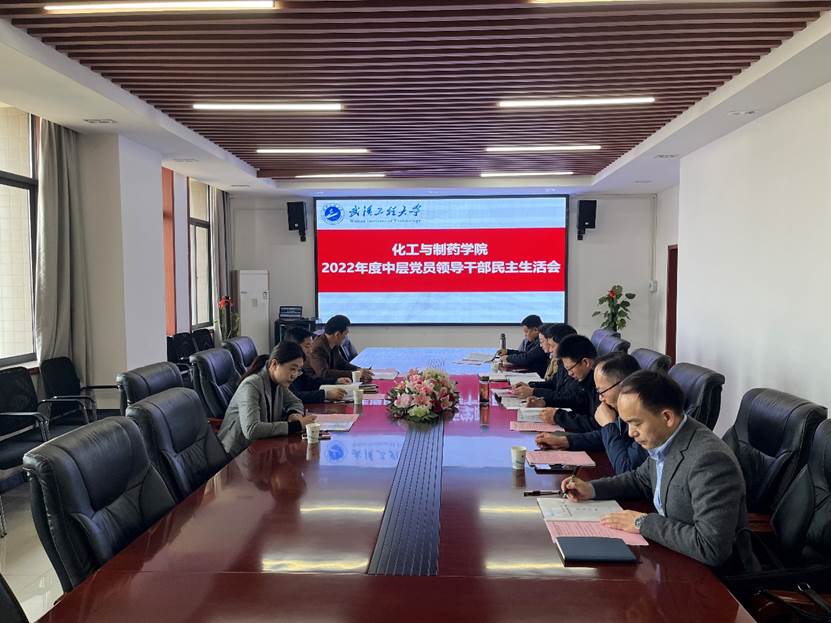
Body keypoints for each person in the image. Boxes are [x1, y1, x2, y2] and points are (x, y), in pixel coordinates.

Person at [561, 370, 757, 574]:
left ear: (667, 417)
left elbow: (711, 547)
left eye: (636, 423)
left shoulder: (709, 460)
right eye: (627, 423)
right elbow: (640, 479)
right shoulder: (667, 438)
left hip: (711, 578)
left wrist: (642, 522)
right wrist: (591, 489)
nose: (631, 432)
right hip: (671, 556)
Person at [535, 353, 648, 474]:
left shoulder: (645, 418)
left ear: (624, 385)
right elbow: (604, 437)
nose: (600, 398)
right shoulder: (625, 410)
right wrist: (566, 441)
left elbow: (625, 469)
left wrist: (608, 425)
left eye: (602, 391)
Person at [218, 341, 316, 458]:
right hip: (237, 455)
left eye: (298, 370)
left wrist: (293, 414)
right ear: (274, 364)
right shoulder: (251, 385)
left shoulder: (278, 382)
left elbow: (296, 402)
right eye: (292, 369)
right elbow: (252, 430)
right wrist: (296, 425)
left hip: (262, 448)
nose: (294, 375)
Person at [534, 334, 599, 432]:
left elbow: (597, 424)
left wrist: (558, 417)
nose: (569, 374)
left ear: (585, 362)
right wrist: (544, 402)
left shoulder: (601, 385)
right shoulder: (585, 378)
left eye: (570, 369)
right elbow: (576, 399)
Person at [511, 323, 579, 403]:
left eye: (552, 346)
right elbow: (553, 383)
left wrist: (534, 392)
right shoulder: (561, 362)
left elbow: (567, 397)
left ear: (565, 345)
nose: (550, 350)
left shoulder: (576, 367)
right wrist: (531, 386)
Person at [283, 326, 348, 403]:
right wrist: (325, 394)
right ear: (294, 346)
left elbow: (310, 382)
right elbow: (293, 396)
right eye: (307, 346)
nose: (310, 351)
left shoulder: (299, 363)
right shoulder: (285, 366)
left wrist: (335, 381)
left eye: (311, 346)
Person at [309, 315, 372, 382]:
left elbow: (341, 363)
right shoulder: (318, 347)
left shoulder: (333, 343)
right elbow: (324, 373)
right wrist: (355, 373)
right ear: (337, 334)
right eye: (345, 334)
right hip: (315, 384)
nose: (345, 337)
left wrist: (358, 369)